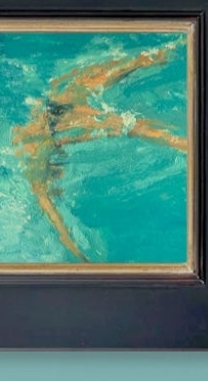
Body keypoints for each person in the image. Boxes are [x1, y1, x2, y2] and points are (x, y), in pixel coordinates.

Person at [11, 40, 187, 260]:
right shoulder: (67, 101)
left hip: (59, 118)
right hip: (61, 104)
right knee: (130, 94)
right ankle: (176, 44)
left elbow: (50, 210)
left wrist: (78, 254)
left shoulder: (42, 149)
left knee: (127, 123)